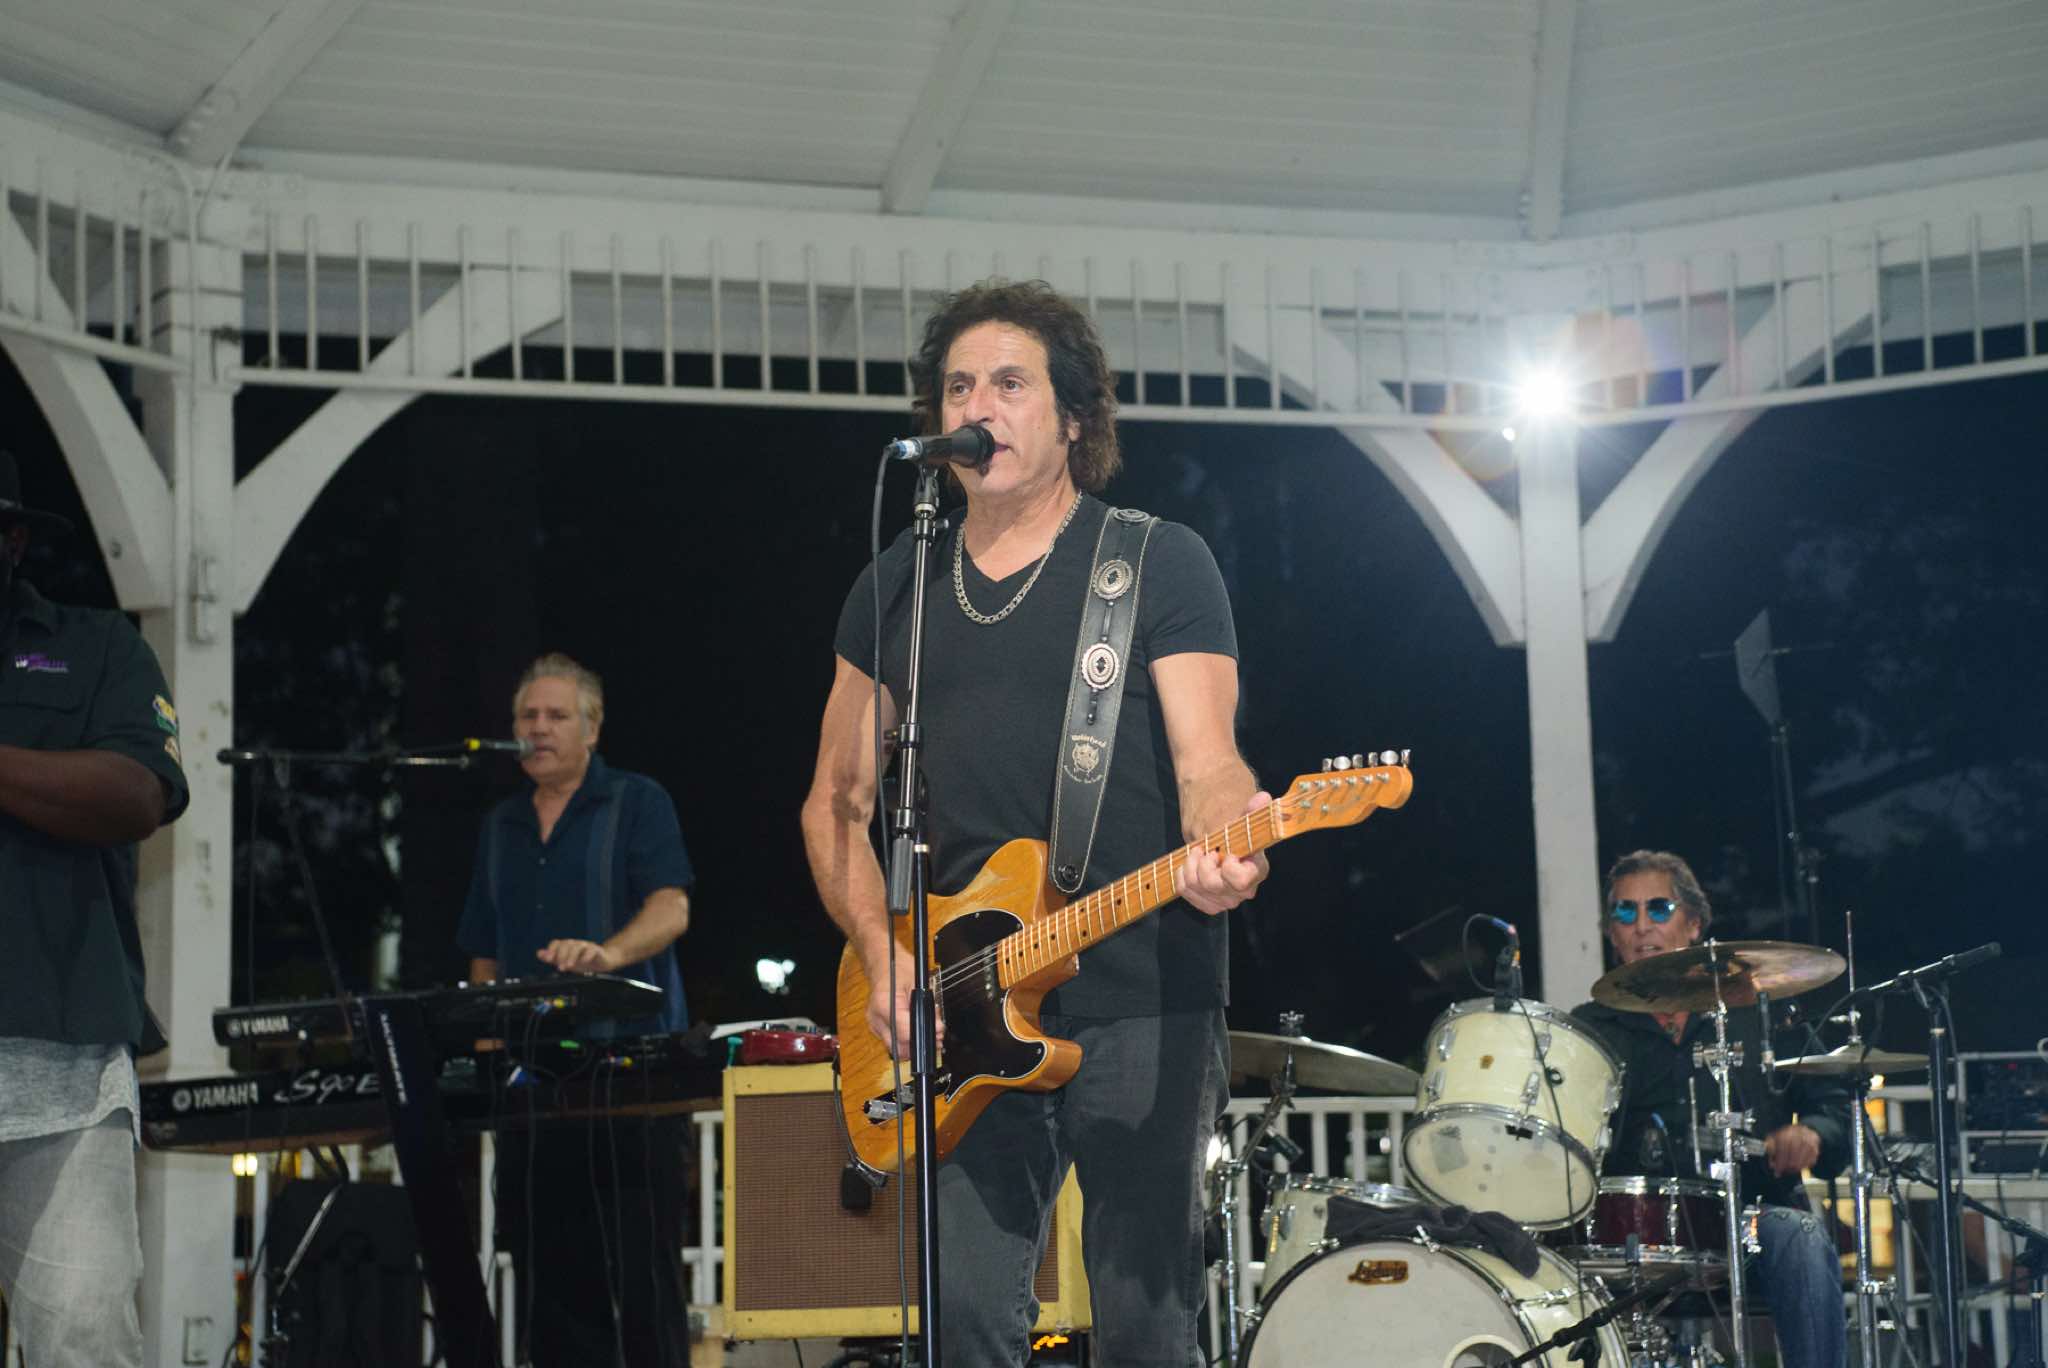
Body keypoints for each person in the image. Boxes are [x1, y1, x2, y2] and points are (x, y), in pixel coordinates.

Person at [800, 279, 1269, 1366]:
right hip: (959, 1008)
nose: (979, 406)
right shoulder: (896, 585)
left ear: (1073, 419)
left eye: (1010, 384)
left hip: (1141, 991)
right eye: (960, 386)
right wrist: (881, 954)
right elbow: (836, 802)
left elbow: (1209, 763)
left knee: (1146, 1323)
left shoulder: (1155, 562)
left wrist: (1226, 839)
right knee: (963, 1320)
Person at [0, 450, 189, 1368]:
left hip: (60, 1069)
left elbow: (137, 793)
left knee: (83, 1334)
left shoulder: (99, 645)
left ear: (12, 540)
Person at [458, 651, 694, 1367]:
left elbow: (672, 908)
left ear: (592, 729)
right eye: (527, 716)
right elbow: (483, 951)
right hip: (535, 1083)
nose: (538, 728)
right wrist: (485, 1049)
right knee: (549, 1279)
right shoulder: (500, 825)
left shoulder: (637, 801)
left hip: (633, 1073)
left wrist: (607, 955)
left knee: (644, 1272)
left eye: (556, 716)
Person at [1573, 849, 1850, 1368]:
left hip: (1747, 1221)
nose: (1641, 926)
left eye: (1658, 908)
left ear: (1694, 924)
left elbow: (1836, 1112)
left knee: (1801, 1234)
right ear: (1612, 933)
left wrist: (1811, 1134)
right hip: (1630, 1229)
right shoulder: (1589, 1028)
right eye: (1625, 912)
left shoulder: (1759, 1013)